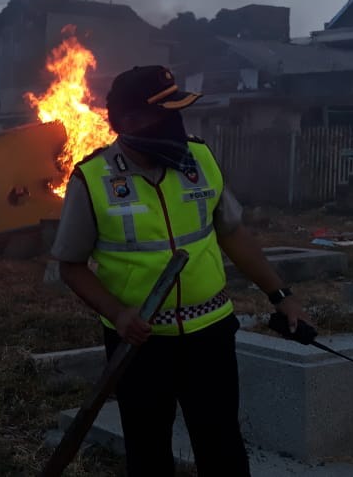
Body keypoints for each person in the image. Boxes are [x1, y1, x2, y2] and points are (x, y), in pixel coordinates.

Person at [51, 65, 311, 477]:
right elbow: (71, 266)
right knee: (149, 451)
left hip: (210, 336)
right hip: (139, 345)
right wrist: (119, 314)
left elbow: (233, 233)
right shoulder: (92, 178)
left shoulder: (200, 158)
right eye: (166, 113)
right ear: (131, 121)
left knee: (222, 445)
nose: (177, 123)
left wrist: (281, 295)